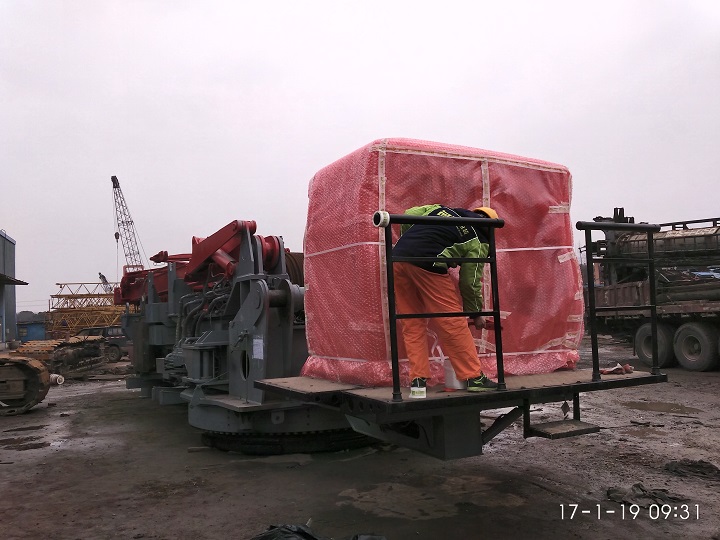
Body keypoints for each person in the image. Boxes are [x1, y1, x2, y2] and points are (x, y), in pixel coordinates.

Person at [392, 204, 499, 398]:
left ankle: (418, 381)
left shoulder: (441, 210)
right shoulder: (480, 240)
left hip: (399, 258)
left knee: (412, 321)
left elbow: (408, 214)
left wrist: (412, 243)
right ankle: (474, 378)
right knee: (452, 321)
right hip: (429, 263)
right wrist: (476, 314)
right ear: (491, 227)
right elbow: (470, 282)